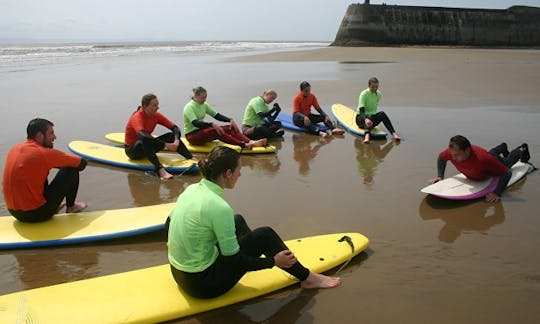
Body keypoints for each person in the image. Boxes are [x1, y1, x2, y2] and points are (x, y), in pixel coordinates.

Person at [167, 146, 341, 299]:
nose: (240, 174)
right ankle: (308, 279)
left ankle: (250, 261)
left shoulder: (191, 190)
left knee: (238, 221)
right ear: (228, 174)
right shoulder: (219, 207)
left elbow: (169, 223)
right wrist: (273, 262)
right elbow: (233, 261)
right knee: (265, 235)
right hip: (203, 286)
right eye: (238, 170)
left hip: (178, 274)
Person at [2, 118, 88, 222]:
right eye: (51, 133)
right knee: (71, 169)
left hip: (14, 212)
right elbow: (81, 163)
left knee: (37, 171)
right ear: (39, 136)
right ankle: (71, 207)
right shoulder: (43, 154)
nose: (55, 137)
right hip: (37, 214)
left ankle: (53, 206)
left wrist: (55, 163)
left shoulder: (15, 149)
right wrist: (62, 164)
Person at [428, 135, 530, 202]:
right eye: (452, 154)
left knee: (507, 162)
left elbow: (507, 173)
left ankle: (522, 148)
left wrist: (497, 193)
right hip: (487, 158)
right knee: (491, 154)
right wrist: (440, 176)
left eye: (457, 155)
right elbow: (441, 158)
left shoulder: (483, 158)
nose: (453, 157)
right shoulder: (451, 152)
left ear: (467, 150)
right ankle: (502, 147)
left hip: (491, 163)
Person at [124, 93, 193, 180]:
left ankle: (190, 157)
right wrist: (165, 145)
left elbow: (175, 128)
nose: (158, 107)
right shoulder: (137, 117)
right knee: (144, 140)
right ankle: (160, 170)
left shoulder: (156, 115)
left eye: (157, 105)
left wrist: (176, 141)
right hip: (133, 151)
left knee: (170, 136)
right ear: (145, 106)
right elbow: (144, 136)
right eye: (154, 105)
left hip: (147, 148)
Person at [184, 86, 267, 150]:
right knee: (217, 130)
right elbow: (195, 123)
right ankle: (243, 145)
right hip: (192, 136)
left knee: (230, 127)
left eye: (205, 97)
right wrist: (211, 124)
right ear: (195, 96)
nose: (204, 100)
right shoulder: (189, 107)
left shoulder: (204, 105)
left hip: (201, 133)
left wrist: (230, 120)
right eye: (202, 98)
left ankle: (250, 142)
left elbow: (216, 115)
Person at [356, 77, 400, 144]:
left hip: (371, 120)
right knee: (369, 116)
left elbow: (373, 110)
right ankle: (367, 136)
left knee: (382, 114)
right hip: (361, 119)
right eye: (373, 87)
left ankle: (394, 134)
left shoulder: (378, 94)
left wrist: (372, 119)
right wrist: (365, 119)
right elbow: (361, 111)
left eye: (376, 87)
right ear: (369, 85)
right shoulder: (363, 94)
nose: (375, 89)